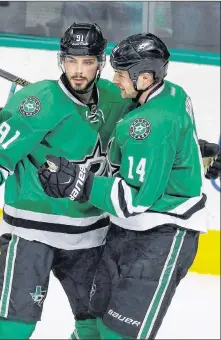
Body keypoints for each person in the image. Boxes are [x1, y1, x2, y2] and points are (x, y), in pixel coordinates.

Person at [0, 23, 134, 340]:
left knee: (96, 331)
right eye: (71, 61)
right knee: (12, 330)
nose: (78, 70)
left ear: (100, 63)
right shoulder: (36, 102)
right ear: (61, 60)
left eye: (87, 62)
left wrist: (199, 149)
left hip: (90, 237)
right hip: (30, 233)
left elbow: (152, 135)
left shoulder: (116, 99)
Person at [38, 33, 221, 339]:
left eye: (121, 75)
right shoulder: (172, 94)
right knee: (92, 327)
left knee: (118, 335)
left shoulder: (149, 123)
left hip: (161, 235)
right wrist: (202, 149)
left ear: (145, 77)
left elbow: (132, 199)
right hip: (124, 231)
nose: (115, 80)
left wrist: (78, 182)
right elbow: (171, 145)